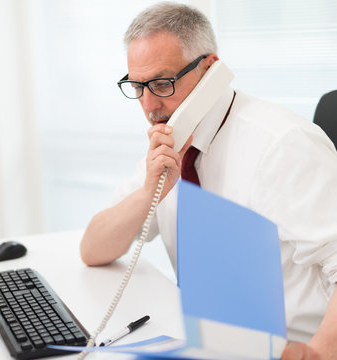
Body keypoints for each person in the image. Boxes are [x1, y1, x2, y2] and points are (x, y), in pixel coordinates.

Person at [79, 2, 337, 359]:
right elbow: (92, 251)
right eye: (137, 86)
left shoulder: (282, 144)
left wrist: (319, 353)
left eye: (161, 82)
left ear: (210, 70)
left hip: (291, 346)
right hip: (209, 341)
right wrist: (148, 193)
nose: (149, 104)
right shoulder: (167, 145)